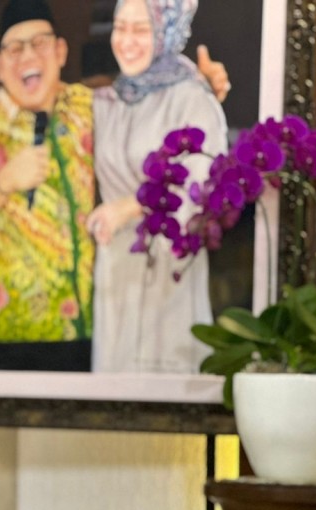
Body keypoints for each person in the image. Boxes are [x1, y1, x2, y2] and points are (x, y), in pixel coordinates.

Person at [0, 0, 229, 372]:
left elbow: (143, 97)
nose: (28, 56)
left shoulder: (87, 107)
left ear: (60, 52)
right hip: (6, 329)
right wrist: (3, 181)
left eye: (39, 43)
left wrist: (200, 84)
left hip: (84, 328)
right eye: (14, 48)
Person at [86, 0, 227, 373]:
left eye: (141, 29)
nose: (126, 41)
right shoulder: (109, 101)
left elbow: (202, 189)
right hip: (116, 271)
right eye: (120, 27)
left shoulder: (193, 99)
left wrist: (132, 207)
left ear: (166, 31)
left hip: (169, 272)